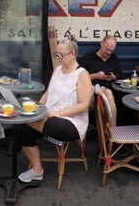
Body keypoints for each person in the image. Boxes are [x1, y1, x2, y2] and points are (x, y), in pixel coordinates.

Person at [17, 36, 93, 183]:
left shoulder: (82, 74)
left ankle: (27, 121)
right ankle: (37, 169)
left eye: (61, 55)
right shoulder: (57, 70)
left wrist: (58, 113)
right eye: (56, 54)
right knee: (23, 128)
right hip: (48, 115)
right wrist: (37, 108)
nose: (58, 58)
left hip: (71, 122)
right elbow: (47, 93)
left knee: (49, 124)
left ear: (72, 54)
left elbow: (84, 105)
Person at [78, 35, 124, 126]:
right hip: (92, 93)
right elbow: (79, 79)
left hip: (111, 92)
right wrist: (95, 76)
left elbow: (120, 76)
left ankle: (109, 130)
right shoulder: (88, 58)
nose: (108, 52)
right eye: (107, 49)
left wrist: (114, 77)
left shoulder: (114, 58)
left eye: (111, 50)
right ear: (101, 43)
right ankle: (113, 132)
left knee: (111, 94)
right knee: (108, 94)